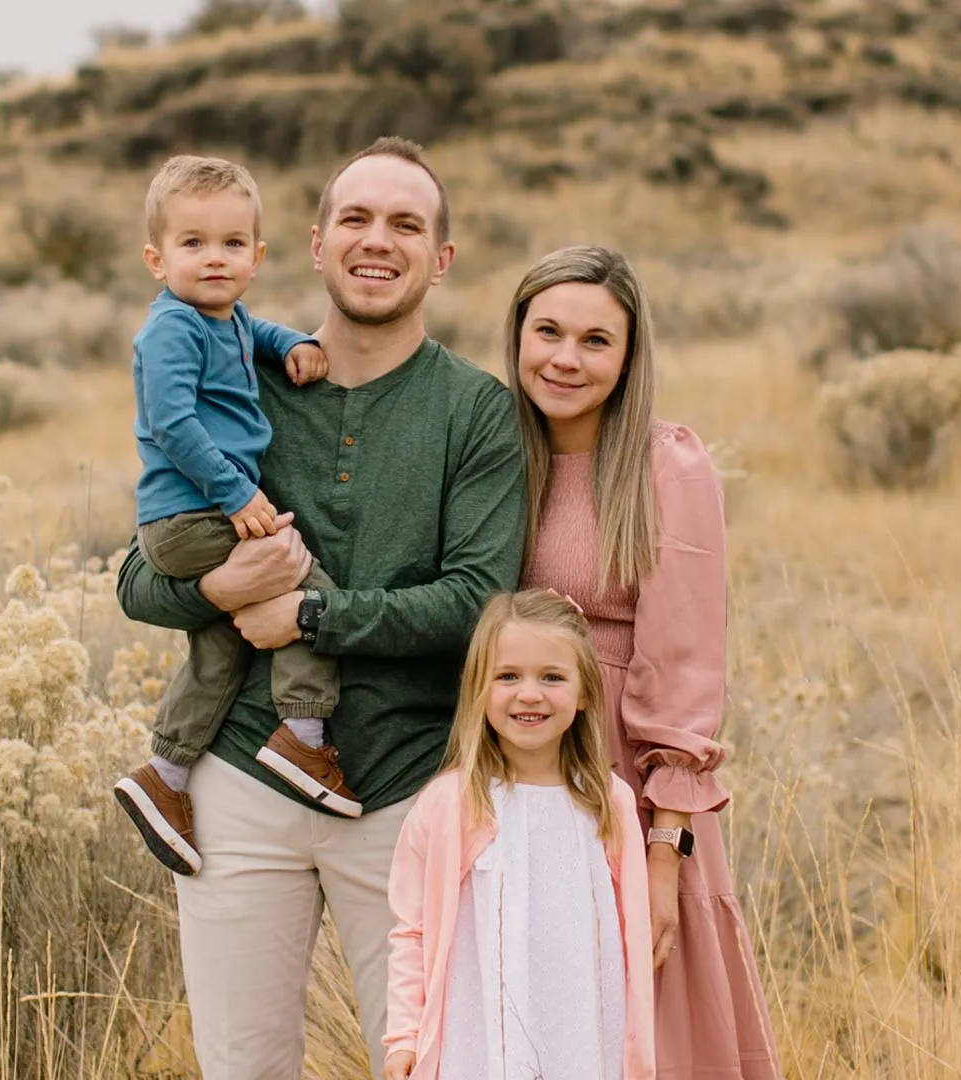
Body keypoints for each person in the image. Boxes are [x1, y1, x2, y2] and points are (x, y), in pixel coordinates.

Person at [114, 136, 527, 1079]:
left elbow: (476, 606)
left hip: (406, 786)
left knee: (428, 1061)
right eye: (356, 218)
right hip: (239, 788)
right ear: (311, 244)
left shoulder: (475, 412)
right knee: (242, 1065)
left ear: (442, 257)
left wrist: (303, 618)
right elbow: (138, 580)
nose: (377, 241)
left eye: (406, 224)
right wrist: (222, 590)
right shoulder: (235, 379)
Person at [504, 245, 781, 1078]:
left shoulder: (667, 465)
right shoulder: (489, 450)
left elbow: (688, 662)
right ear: (516, 335)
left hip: (627, 777)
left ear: (629, 357)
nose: (565, 358)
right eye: (547, 331)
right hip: (508, 764)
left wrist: (666, 851)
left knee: (646, 1019)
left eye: (596, 340)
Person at [113, 154, 363, 880]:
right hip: (192, 514)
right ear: (157, 260)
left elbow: (259, 334)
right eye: (193, 244)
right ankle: (302, 732)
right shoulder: (171, 330)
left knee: (222, 644)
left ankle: (167, 773)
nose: (213, 259)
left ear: (256, 257)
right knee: (304, 584)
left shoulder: (225, 317)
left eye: (230, 244)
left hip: (196, 513)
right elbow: (172, 423)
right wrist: (236, 495)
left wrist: (295, 346)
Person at [382, 589, 656, 1080]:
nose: (529, 694)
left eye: (552, 677)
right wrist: (403, 1036)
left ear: (586, 691)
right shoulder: (450, 804)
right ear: (477, 689)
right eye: (508, 676)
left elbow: (630, 934)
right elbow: (412, 928)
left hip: (584, 1038)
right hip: (479, 1042)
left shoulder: (607, 802)